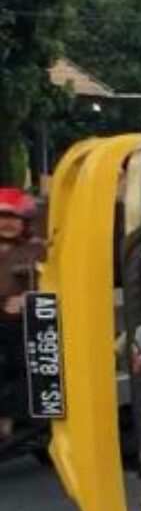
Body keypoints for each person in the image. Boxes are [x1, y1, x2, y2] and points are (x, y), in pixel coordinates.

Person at [0, 186, 43, 436]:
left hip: (26, 326)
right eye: (2, 217)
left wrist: (29, 298)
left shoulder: (36, 250)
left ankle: (13, 421)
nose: (7, 224)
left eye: (13, 217)